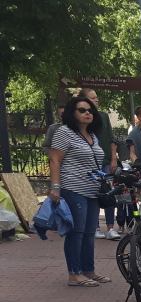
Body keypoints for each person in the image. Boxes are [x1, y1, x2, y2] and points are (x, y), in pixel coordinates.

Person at [48, 96, 108, 287]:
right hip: (72, 188)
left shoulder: (92, 135)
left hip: (92, 190)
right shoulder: (64, 132)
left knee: (90, 232)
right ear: (71, 113)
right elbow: (55, 160)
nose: (88, 113)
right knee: (77, 231)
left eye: (90, 110)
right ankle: (74, 274)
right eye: (82, 110)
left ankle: (88, 270)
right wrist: (55, 187)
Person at [80, 89, 121, 239]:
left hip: (104, 162)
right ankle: (95, 227)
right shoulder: (81, 119)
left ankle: (110, 227)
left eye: (97, 97)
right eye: (93, 98)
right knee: (93, 194)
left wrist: (113, 159)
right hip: (90, 163)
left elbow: (111, 138)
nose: (96, 100)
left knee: (109, 194)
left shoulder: (103, 116)